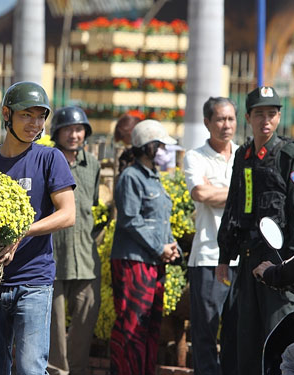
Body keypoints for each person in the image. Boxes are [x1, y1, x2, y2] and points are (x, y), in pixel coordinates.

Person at [0, 81, 76, 375]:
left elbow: (68, 214)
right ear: (7, 114)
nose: (35, 123)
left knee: (30, 369)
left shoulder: (49, 158)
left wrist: (22, 231)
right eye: (26, 115)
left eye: (40, 116)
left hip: (33, 282)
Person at [217, 86, 294, 375]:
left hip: (280, 265)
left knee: (278, 336)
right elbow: (234, 205)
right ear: (248, 117)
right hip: (249, 260)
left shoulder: (290, 155)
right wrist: (224, 256)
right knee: (245, 339)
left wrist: (290, 265)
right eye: (259, 114)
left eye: (272, 114)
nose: (266, 120)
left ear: (279, 118)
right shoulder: (244, 155)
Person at [110, 119, 180, 375]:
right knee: (132, 326)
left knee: (151, 325)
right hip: (133, 261)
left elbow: (161, 220)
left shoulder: (155, 179)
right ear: (147, 147)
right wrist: (159, 247)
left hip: (153, 262)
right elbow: (130, 219)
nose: (165, 152)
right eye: (161, 146)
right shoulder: (131, 177)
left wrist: (172, 248)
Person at [183, 97, 239, 375]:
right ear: (207, 122)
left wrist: (219, 193)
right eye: (220, 119)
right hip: (208, 257)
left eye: (230, 119)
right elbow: (201, 194)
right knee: (205, 332)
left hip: (242, 258)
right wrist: (240, 195)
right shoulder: (195, 157)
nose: (226, 125)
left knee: (236, 334)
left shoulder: (244, 155)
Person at [47, 106, 101, 375]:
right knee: (53, 327)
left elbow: (91, 205)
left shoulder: (93, 164)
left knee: (85, 321)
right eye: (68, 128)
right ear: (57, 132)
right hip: (53, 256)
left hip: (86, 258)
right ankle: (57, 372)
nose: (74, 134)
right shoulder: (46, 159)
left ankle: (78, 371)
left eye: (79, 129)